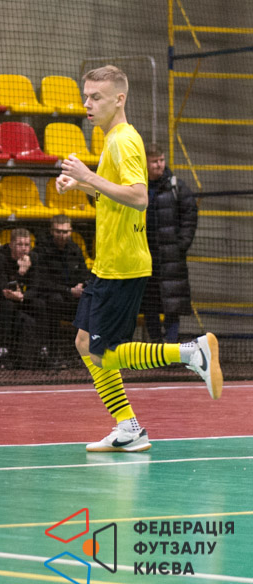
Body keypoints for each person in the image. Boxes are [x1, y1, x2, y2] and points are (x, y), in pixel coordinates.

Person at [57, 65, 221, 453]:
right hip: (107, 262)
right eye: (85, 96)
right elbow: (114, 196)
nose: (87, 104)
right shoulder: (112, 140)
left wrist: (88, 176)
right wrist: (81, 184)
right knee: (84, 342)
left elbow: (138, 197)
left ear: (119, 99)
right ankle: (128, 428)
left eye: (96, 97)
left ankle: (190, 352)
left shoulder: (123, 141)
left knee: (105, 354)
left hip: (124, 265)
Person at [139, 144, 198, 342]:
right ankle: (156, 346)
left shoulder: (176, 187)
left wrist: (181, 245)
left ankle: (170, 347)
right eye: (154, 161)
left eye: (161, 160)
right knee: (150, 305)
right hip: (147, 257)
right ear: (146, 163)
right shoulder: (139, 187)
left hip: (172, 258)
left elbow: (190, 215)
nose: (159, 165)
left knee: (173, 305)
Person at [0, 228, 46, 369]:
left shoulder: (33, 258)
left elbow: (35, 287)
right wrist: (21, 272)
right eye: (20, 244)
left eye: (27, 245)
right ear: (11, 245)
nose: (24, 249)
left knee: (39, 304)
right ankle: (3, 351)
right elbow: (4, 290)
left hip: (18, 300)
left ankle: (42, 349)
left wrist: (23, 297)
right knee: (8, 306)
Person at [32, 215, 91, 366]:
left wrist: (81, 285)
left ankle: (82, 352)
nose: (62, 235)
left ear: (70, 231)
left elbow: (84, 273)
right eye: (58, 231)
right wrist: (68, 290)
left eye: (65, 232)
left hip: (72, 295)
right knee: (55, 301)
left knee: (90, 302)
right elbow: (41, 281)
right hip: (49, 296)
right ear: (52, 231)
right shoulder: (41, 250)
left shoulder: (75, 249)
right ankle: (53, 353)